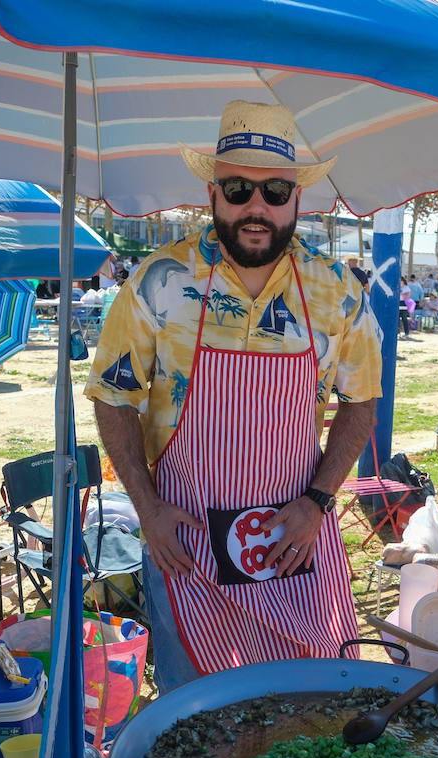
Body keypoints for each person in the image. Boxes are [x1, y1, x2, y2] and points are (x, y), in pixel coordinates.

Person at [84, 100, 382, 699]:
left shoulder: (337, 292)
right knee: (197, 722)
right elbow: (112, 397)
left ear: (297, 199)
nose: (257, 206)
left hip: (295, 539)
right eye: (239, 187)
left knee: (309, 709)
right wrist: (147, 509)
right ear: (212, 194)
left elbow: (361, 402)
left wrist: (320, 502)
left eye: (274, 190)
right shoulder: (159, 282)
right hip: (186, 546)